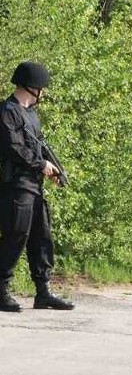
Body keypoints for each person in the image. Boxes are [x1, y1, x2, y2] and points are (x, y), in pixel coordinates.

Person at [0, 61, 74, 312]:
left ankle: (43, 292)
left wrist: (52, 167)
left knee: (42, 237)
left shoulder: (31, 115)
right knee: (15, 236)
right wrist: (40, 164)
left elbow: (38, 145)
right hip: (16, 184)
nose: (43, 93)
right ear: (34, 87)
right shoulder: (7, 111)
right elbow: (13, 148)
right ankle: (1, 290)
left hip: (33, 185)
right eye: (42, 88)